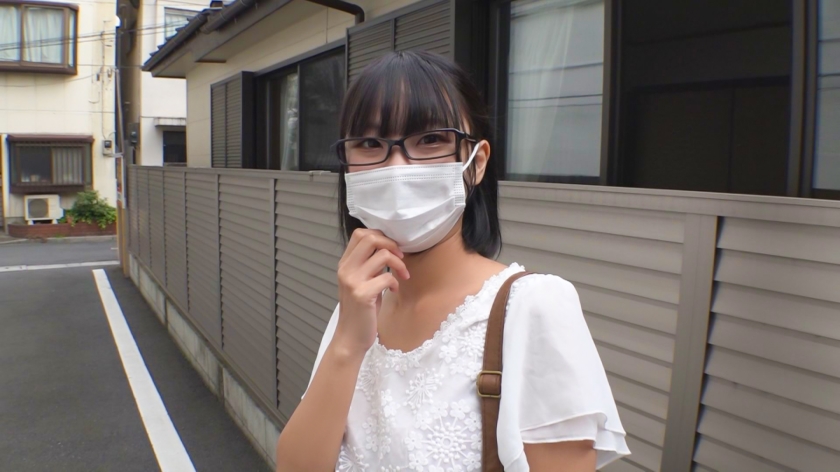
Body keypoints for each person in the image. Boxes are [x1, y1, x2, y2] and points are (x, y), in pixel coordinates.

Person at [275, 51, 630, 472]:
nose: (397, 166)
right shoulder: (356, 307)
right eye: (369, 144)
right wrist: (348, 345)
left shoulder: (533, 307)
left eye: (430, 140)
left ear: (476, 162)